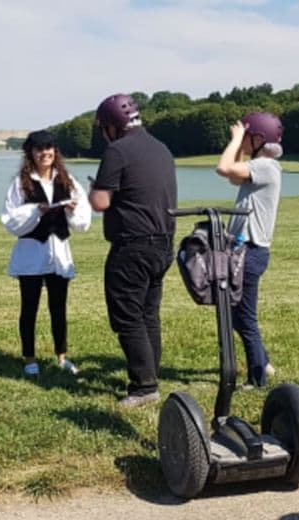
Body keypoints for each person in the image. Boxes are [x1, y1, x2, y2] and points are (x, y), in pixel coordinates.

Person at [88, 93, 177, 407]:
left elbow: (101, 201)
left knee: (127, 316)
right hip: (163, 242)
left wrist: (92, 188)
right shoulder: (161, 148)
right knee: (148, 313)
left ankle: (143, 387)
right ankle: (151, 375)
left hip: (132, 245)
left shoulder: (117, 150)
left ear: (113, 125)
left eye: (104, 128)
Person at [1, 130, 92, 377]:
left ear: (55, 151)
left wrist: (71, 210)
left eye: (49, 148)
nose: (45, 153)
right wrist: (35, 212)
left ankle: (61, 356)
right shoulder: (21, 183)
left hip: (58, 253)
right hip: (31, 253)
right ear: (31, 153)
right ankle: (29, 358)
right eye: (39, 149)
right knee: (29, 308)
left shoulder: (67, 180)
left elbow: (83, 219)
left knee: (59, 307)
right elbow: (10, 219)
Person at [216, 112, 283, 389]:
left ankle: (258, 378)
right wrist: (241, 144)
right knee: (236, 315)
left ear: (258, 139)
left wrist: (235, 139)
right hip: (245, 250)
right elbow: (233, 176)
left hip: (251, 252)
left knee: (244, 317)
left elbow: (223, 168)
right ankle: (263, 363)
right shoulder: (259, 167)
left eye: (247, 137)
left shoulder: (266, 166)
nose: (242, 141)